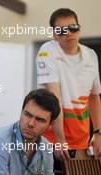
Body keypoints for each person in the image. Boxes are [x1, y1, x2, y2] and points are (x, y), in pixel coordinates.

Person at [36, 8, 101, 173]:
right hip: (51, 139)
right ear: (54, 34)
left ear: (79, 28)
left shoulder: (91, 55)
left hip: (82, 140)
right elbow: (54, 96)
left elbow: (94, 97)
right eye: (61, 30)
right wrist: (60, 139)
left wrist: (98, 133)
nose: (68, 33)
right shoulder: (48, 50)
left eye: (73, 28)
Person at [0, 89, 61, 175]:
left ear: (50, 125)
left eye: (40, 119)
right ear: (21, 112)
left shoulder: (46, 147)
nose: (31, 124)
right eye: (27, 115)